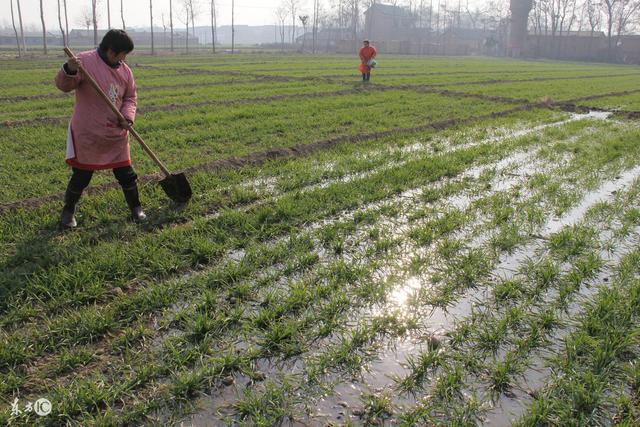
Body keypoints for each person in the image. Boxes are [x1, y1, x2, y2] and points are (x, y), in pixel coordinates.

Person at [55, 29, 145, 228]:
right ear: (112, 51)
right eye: (123, 54)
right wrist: (69, 69)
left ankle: (136, 208)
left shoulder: (125, 71)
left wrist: (127, 117)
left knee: (126, 173)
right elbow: (64, 85)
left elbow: (130, 97)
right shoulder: (83, 62)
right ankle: (68, 211)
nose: (124, 58)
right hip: (89, 131)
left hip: (116, 133)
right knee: (82, 175)